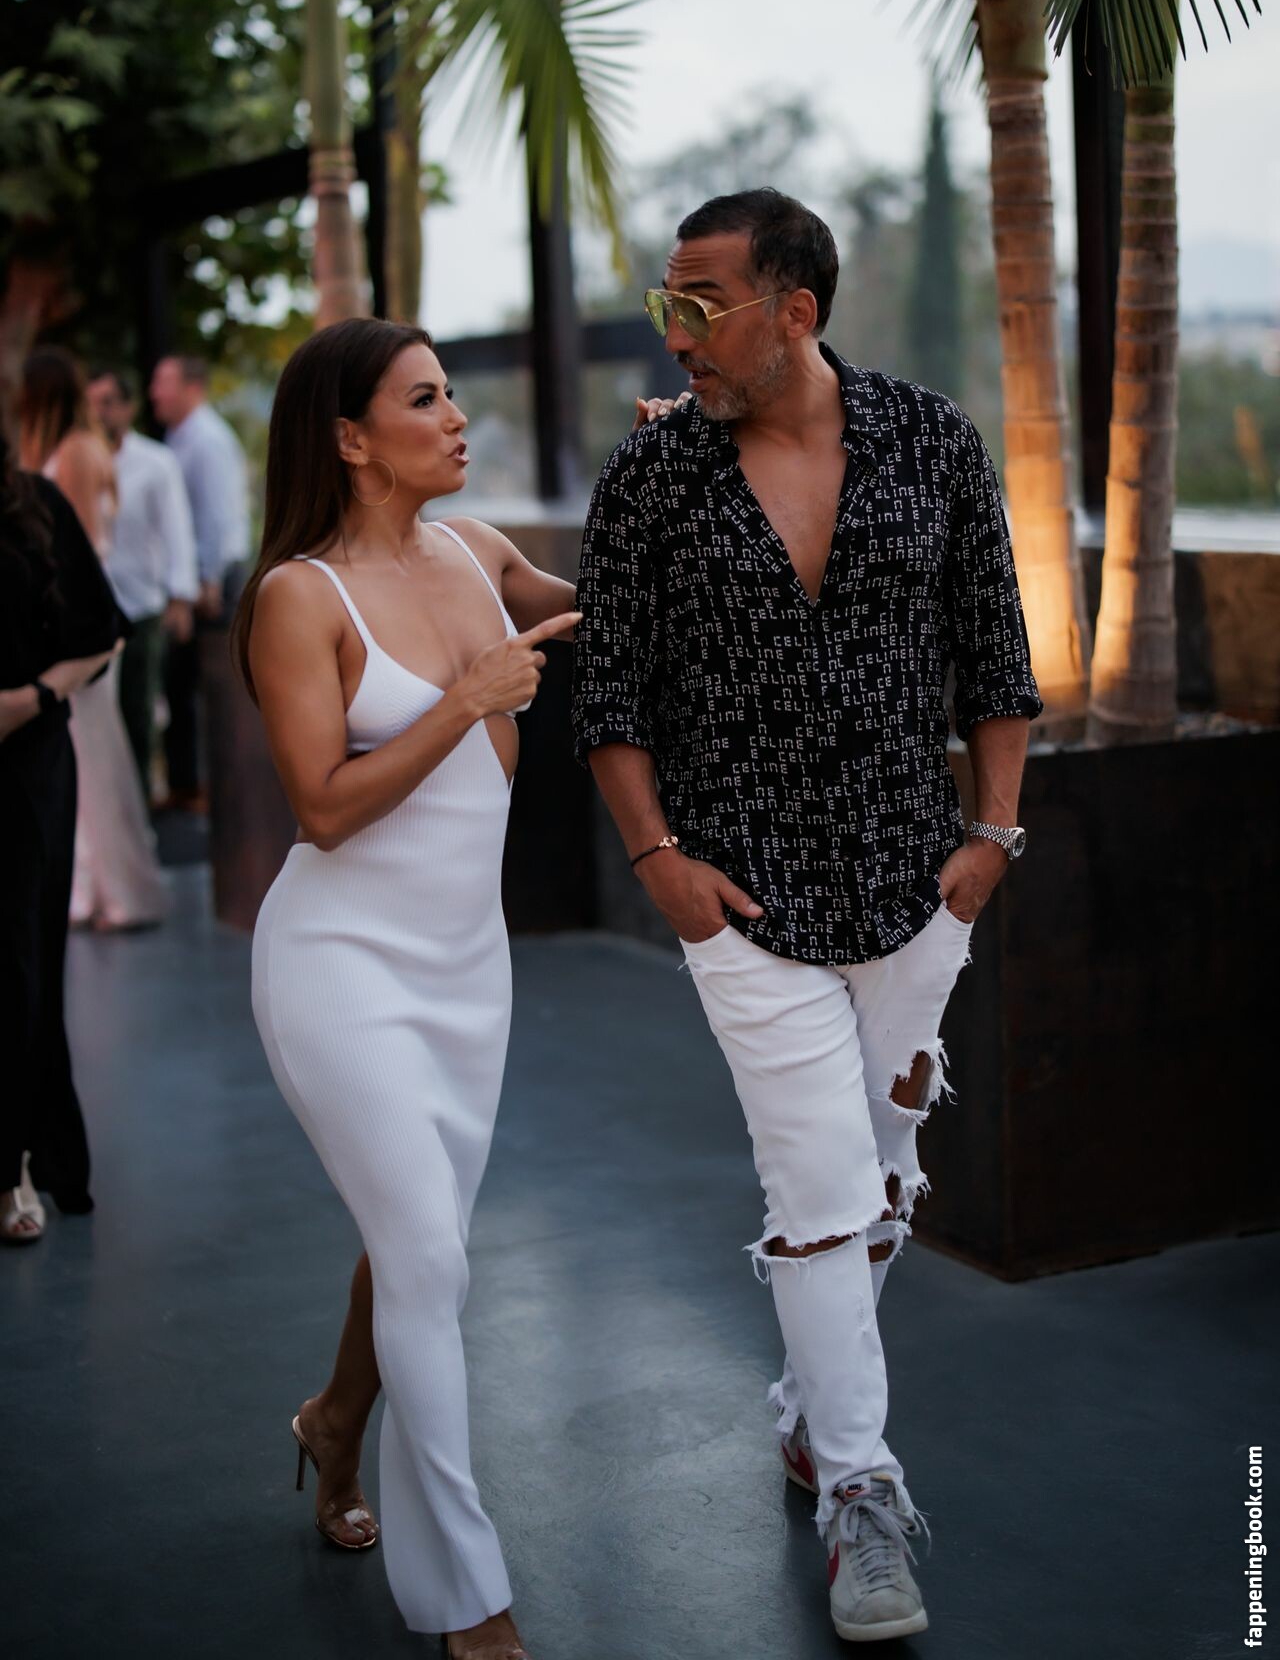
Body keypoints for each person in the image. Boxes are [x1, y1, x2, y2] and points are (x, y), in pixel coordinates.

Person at [571, 189, 1043, 1645]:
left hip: (917, 886)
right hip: (742, 899)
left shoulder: (932, 442)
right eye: (666, 304)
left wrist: (992, 838)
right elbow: (609, 695)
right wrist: (661, 864)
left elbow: (996, 655)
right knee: (820, 1185)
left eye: (701, 305)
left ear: (795, 310)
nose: (676, 334)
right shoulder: (652, 478)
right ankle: (860, 1491)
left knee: (885, 1185)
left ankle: (802, 1407)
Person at [235, 318, 583, 1660]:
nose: (455, 417)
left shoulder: (477, 552)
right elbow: (322, 810)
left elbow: (617, 596)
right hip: (340, 966)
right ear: (349, 436)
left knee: (411, 1242)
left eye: (451, 394)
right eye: (424, 398)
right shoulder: (299, 598)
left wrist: (679, 467)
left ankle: (335, 1423)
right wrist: (466, 698)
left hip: (466, 971)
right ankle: (468, 1605)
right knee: (431, 1255)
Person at [0, 413, 126, 1243]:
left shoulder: (33, 504)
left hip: (25, 763)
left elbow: (99, 633)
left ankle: (14, 1162)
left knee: (19, 963)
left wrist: (30, 698)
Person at [19, 348, 168, 931]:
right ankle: (92, 889)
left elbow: (76, 548)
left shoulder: (78, 452)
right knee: (86, 758)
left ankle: (121, 892)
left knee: (98, 764)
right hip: (75, 624)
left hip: (79, 628)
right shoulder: (78, 447)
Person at [85, 366, 198, 797]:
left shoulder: (155, 462)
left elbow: (176, 530)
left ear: (127, 408)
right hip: (92, 611)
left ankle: (140, 807)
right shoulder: (79, 460)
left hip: (140, 606)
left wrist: (180, 596)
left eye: (108, 403)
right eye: (92, 405)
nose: (100, 414)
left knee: (139, 711)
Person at [150, 353, 250, 808]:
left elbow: (218, 516)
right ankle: (189, 784)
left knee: (208, 684)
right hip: (199, 576)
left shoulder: (207, 440)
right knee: (183, 683)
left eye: (164, 382)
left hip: (214, 579)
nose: (155, 392)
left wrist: (207, 580)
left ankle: (213, 789)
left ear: (192, 387)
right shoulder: (181, 436)